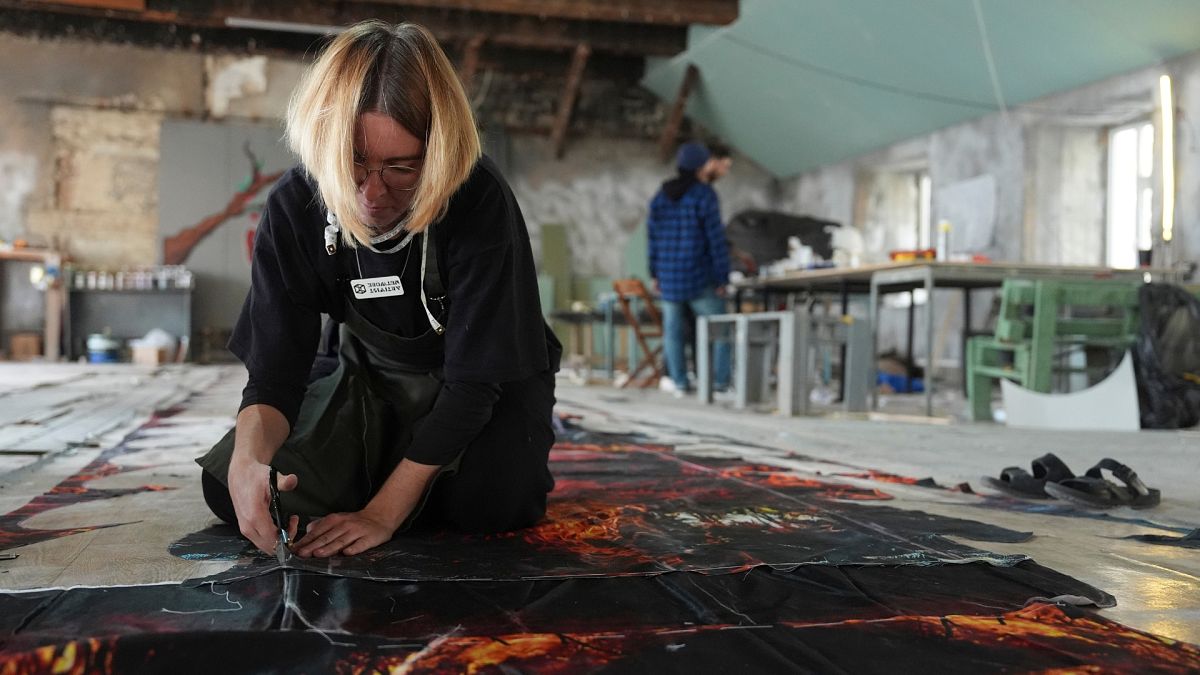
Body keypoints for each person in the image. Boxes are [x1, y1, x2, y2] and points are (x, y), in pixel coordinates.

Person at [196, 20, 561, 559]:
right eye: (353, 163)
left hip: (486, 377)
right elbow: (275, 373)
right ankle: (401, 473)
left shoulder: (478, 198)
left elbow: (474, 385)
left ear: (438, 153)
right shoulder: (294, 205)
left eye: (401, 168)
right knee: (231, 487)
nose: (371, 194)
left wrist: (383, 513)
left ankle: (406, 479)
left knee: (492, 507)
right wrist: (250, 464)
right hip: (368, 374)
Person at [647, 141, 732, 395]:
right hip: (697, 277)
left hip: (669, 278)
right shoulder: (704, 195)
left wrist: (654, 272)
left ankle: (680, 382)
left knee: (672, 333)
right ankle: (718, 383)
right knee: (720, 329)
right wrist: (722, 277)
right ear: (700, 166)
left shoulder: (660, 197)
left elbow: (652, 239)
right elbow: (715, 239)